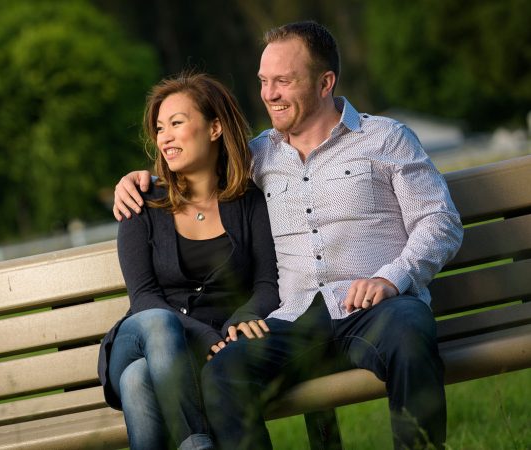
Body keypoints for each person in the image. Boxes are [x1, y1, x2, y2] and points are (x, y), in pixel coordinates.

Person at [112, 22, 463, 449]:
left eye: (284, 81)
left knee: (411, 330)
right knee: (222, 373)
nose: (269, 93)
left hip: (378, 309)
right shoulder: (259, 155)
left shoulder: (386, 139)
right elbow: (196, 167)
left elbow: (439, 220)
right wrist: (143, 180)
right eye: (263, 81)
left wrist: (392, 277)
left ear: (324, 83)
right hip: (294, 321)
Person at [98, 72, 281, 450]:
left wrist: (242, 318)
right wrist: (204, 337)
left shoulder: (249, 204)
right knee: (160, 326)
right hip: (143, 337)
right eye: (160, 128)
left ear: (215, 128)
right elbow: (144, 298)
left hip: (204, 356)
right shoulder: (142, 204)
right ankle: (196, 443)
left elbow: (267, 284)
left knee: (138, 382)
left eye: (176, 123)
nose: (164, 137)